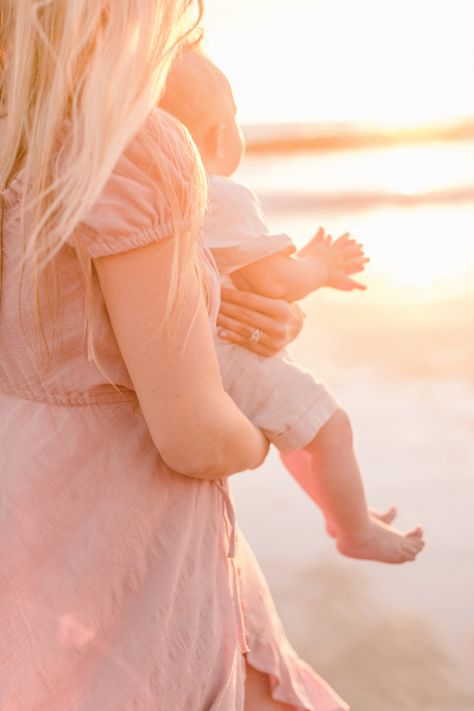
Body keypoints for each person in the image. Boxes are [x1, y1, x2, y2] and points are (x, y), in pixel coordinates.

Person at [0, 3, 349, 710]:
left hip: (28, 509)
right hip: (132, 533)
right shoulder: (133, 148)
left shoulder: (17, 144)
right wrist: (260, 433)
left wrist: (222, 307)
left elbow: (75, 327)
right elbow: (192, 434)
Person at [160, 47, 426, 564]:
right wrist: (319, 268)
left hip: (197, 355)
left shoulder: (167, 197)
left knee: (299, 432)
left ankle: (343, 513)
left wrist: (301, 262)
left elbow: (248, 272)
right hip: (230, 355)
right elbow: (276, 279)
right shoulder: (220, 194)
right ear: (220, 135)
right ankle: (353, 532)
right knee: (330, 425)